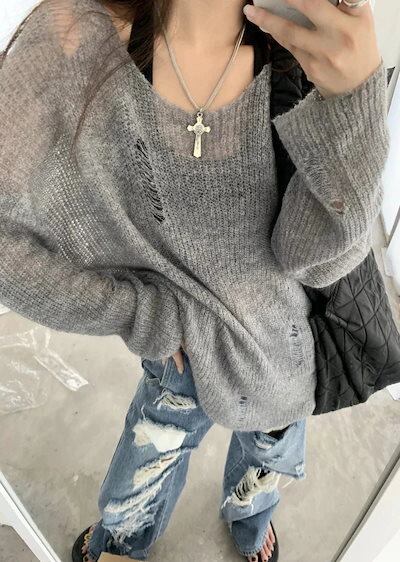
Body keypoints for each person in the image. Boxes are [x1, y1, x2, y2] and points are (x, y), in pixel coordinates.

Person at [0, 0, 389, 561]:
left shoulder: (306, 47)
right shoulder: (75, 30)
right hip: (176, 351)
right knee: (142, 472)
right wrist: (138, 313)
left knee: (266, 465)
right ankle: (127, 539)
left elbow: (313, 261)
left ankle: (250, 524)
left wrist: (353, 108)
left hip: (284, 348)